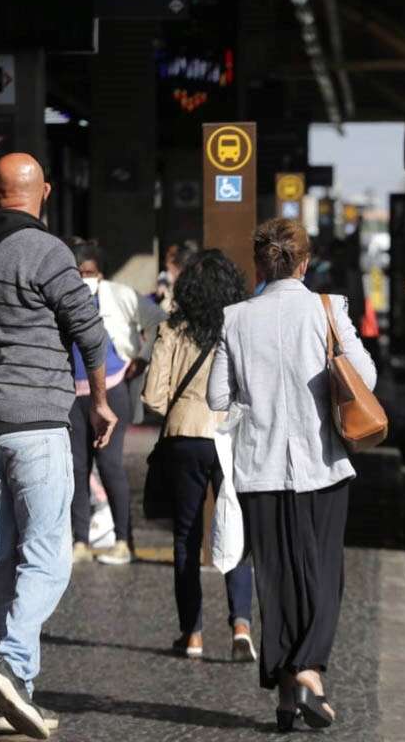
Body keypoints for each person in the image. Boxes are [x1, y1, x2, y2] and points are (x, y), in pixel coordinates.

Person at [0, 153, 116, 740]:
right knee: (49, 556)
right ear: (45, 192)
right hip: (38, 427)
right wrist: (99, 402)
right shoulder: (49, 251)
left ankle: (15, 696)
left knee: (7, 560)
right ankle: (13, 665)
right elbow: (89, 330)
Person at [207, 219, 376, 732]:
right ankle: (309, 675)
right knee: (323, 576)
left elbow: (218, 397)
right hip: (321, 464)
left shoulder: (234, 318)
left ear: (259, 265)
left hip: (259, 470)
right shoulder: (328, 309)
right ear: (304, 263)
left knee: (277, 583)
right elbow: (364, 378)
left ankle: (286, 695)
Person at [142, 250, 255, 662]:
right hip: (228, 438)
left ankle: (192, 634)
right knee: (235, 527)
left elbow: (154, 398)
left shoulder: (174, 330)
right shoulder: (240, 329)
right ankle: (241, 624)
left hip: (185, 437)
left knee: (187, 537)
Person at [68, 240, 167, 565]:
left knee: (109, 465)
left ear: (101, 272)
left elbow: (158, 320)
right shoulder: (63, 295)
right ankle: (79, 541)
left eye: (90, 272)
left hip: (112, 390)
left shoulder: (120, 294)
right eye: (79, 272)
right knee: (76, 468)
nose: (85, 278)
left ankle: (124, 540)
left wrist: (142, 357)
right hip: (72, 394)